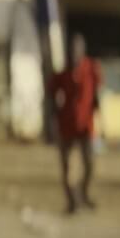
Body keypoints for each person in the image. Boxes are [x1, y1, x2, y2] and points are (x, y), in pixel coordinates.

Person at [51, 33, 103, 213]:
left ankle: (84, 194)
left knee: (89, 164)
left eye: (77, 49)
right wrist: (54, 117)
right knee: (67, 165)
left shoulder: (91, 69)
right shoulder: (63, 72)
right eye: (72, 49)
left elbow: (96, 96)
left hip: (86, 125)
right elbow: (52, 94)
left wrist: (100, 120)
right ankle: (72, 202)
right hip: (67, 125)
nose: (74, 53)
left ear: (83, 50)